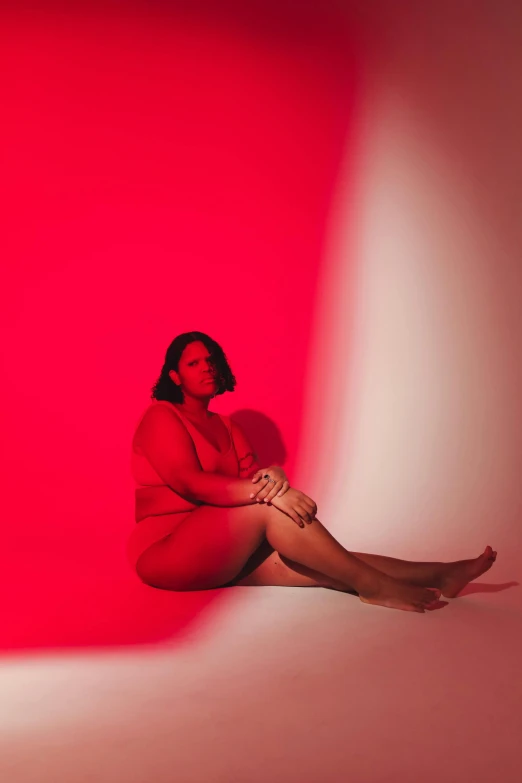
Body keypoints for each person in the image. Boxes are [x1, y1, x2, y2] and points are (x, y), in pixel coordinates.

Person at [128, 331, 497, 613]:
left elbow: (253, 481)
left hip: (222, 553)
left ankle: (441, 573)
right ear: (175, 376)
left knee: (325, 562)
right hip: (166, 552)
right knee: (272, 508)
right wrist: (270, 491)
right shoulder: (162, 415)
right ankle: (375, 588)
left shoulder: (228, 427)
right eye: (193, 363)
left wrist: (274, 476)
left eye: (210, 360)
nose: (206, 367)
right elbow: (188, 482)